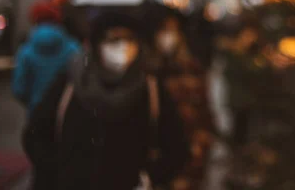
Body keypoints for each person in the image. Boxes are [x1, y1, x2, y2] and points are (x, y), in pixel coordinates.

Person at [23, 11, 189, 190]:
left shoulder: (151, 89)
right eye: (113, 39)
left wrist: (152, 177)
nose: (122, 47)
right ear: (97, 44)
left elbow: (178, 147)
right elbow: (34, 136)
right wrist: (60, 172)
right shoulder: (71, 84)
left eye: (129, 39)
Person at [147, 13, 214, 189]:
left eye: (172, 31)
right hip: (152, 165)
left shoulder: (191, 69)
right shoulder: (144, 73)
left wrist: (193, 168)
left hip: (185, 164)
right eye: (163, 31)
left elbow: (203, 120)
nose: (167, 37)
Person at [12, 0, 80, 114]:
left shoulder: (26, 51)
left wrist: (32, 103)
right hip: (65, 112)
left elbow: (19, 89)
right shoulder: (73, 48)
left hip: (36, 110)